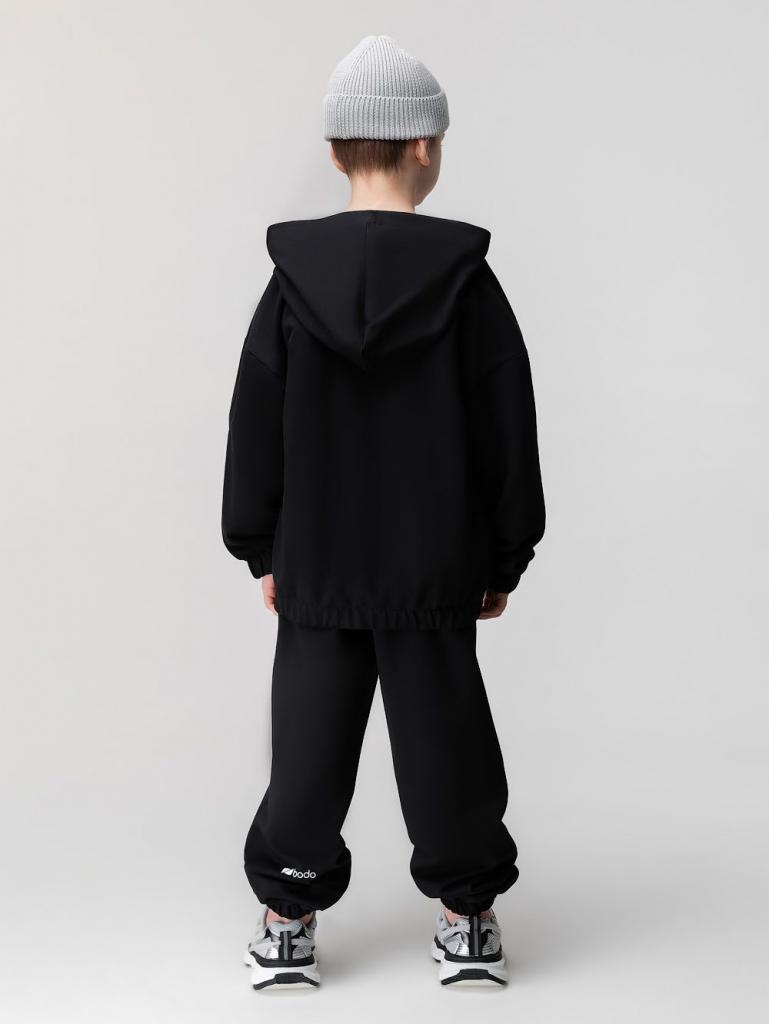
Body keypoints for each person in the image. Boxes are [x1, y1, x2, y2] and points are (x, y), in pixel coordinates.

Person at [222, 34, 545, 990]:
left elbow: (255, 418)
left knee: (308, 745)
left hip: (317, 559)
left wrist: (261, 546)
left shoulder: (290, 287)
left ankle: (286, 917)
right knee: (446, 743)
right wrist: (504, 553)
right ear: (426, 147)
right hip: (434, 559)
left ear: (333, 152)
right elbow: (506, 422)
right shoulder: (468, 286)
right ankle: (468, 917)